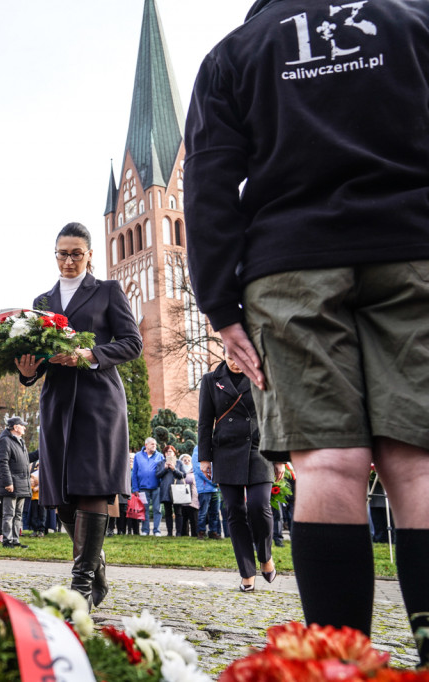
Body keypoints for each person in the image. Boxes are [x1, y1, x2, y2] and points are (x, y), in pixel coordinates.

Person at [187, 2, 429, 657]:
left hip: (291, 264)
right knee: (419, 464)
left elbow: (208, 183)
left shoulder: (236, 53)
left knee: (327, 464)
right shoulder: (413, 20)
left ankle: (342, 663)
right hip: (413, 245)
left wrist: (219, 303)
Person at [16, 222, 142, 607]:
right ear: (55, 255)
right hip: (57, 405)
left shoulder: (107, 291)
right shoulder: (42, 301)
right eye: (62, 253)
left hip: (99, 403)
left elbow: (132, 343)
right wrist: (27, 372)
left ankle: (83, 584)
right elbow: (35, 357)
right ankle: (96, 566)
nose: (68, 260)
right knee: (63, 498)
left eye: (76, 253)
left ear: (90, 255)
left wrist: (90, 355)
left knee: (92, 488)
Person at [198, 358, 274, 592]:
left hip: (259, 448)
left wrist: (280, 457)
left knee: (259, 506)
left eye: (240, 358)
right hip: (226, 451)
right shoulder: (211, 380)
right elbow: (204, 421)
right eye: (231, 357)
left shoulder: (262, 375)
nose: (235, 363)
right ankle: (247, 572)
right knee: (234, 511)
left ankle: (265, 555)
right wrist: (204, 457)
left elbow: (273, 416)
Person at [0, 417, 32, 549]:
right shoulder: (5, 441)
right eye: (22, 425)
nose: (24, 428)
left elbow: (25, 461)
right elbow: (3, 463)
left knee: (18, 515)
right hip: (12, 484)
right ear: (16, 427)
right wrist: (8, 482)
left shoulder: (20, 442)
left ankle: (15, 540)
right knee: (9, 514)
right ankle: (7, 540)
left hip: (22, 483)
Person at [131, 438, 164, 536]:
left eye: (155, 444)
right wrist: (135, 488)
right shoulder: (138, 456)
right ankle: (145, 530)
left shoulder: (160, 456)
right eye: (152, 444)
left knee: (157, 509)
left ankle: (156, 530)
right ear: (146, 445)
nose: (154, 446)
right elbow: (134, 473)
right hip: (142, 489)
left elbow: (162, 472)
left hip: (156, 488)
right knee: (144, 509)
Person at [192, 445, 220, 539]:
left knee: (215, 512)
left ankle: (213, 531)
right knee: (203, 512)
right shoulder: (198, 451)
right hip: (204, 488)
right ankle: (201, 532)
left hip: (215, 488)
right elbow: (200, 470)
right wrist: (214, 481)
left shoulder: (213, 448)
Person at [157, 446, 186, 538]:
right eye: (167, 452)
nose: (169, 453)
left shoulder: (179, 463)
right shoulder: (161, 463)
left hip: (177, 489)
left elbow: (183, 475)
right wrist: (165, 468)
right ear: (164, 454)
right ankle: (169, 532)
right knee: (168, 512)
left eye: (171, 451)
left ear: (174, 453)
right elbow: (157, 475)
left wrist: (174, 469)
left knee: (178, 512)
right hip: (166, 490)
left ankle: (178, 533)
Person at [178, 454, 199, 538]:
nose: (186, 461)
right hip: (183, 497)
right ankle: (184, 533)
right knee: (184, 517)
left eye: (188, 460)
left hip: (193, 497)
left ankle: (195, 534)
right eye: (184, 460)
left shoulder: (194, 470)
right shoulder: (179, 471)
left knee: (194, 517)